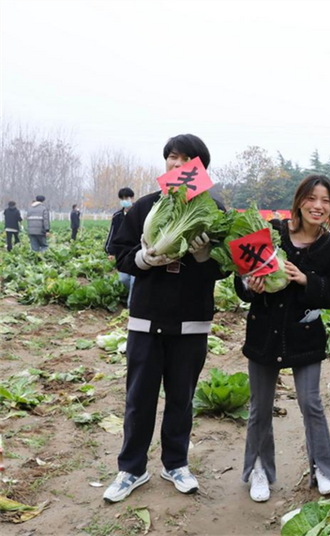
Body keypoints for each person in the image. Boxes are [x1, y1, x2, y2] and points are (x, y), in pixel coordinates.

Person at [103, 134, 227, 503]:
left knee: (181, 398)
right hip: (146, 319)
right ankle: (132, 468)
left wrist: (206, 258)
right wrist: (143, 260)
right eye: (171, 159)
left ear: (199, 168)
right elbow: (121, 254)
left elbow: (226, 267)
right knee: (139, 398)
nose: (176, 166)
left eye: (185, 160)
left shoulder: (215, 210)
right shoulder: (145, 207)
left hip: (191, 322)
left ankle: (175, 463)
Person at [237, 174, 330, 502]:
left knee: (311, 403)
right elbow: (240, 279)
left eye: (325, 201)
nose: (318, 206)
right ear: (300, 201)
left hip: (305, 333)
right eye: (312, 198)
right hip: (264, 332)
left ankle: (324, 469)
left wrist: (306, 280)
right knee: (260, 407)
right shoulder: (272, 232)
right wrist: (248, 285)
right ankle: (259, 470)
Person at [105, 188, 137, 307]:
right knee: (123, 279)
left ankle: (131, 306)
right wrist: (110, 251)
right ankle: (134, 296)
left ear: (132, 198)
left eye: (127, 198)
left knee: (134, 280)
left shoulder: (138, 213)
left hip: (136, 251)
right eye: (123, 199)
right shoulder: (117, 216)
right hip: (122, 252)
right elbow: (112, 234)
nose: (125, 201)